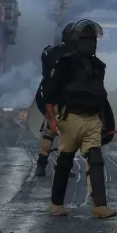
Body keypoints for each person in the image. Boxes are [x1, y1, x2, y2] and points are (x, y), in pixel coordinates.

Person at [42, 20, 117, 219]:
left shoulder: (98, 67)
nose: (90, 44)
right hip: (70, 118)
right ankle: (56, 204)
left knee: (96, 159)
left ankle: (100, 207)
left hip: (92, 119)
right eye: (86, 39)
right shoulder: (65, 64)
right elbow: (51, 94)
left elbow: (100, 96)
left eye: (93, 40)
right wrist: (52, 119)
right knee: (65, 160)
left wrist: (105, 123)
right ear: (77, 41)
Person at [35, 23, 77, 176]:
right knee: (67, 134)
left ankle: (41, 165)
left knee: (49, 131)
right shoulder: (75, 56)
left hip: (48, 97)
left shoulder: (50, 52)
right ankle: (61, 166)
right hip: (66, 99)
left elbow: (46, 75)